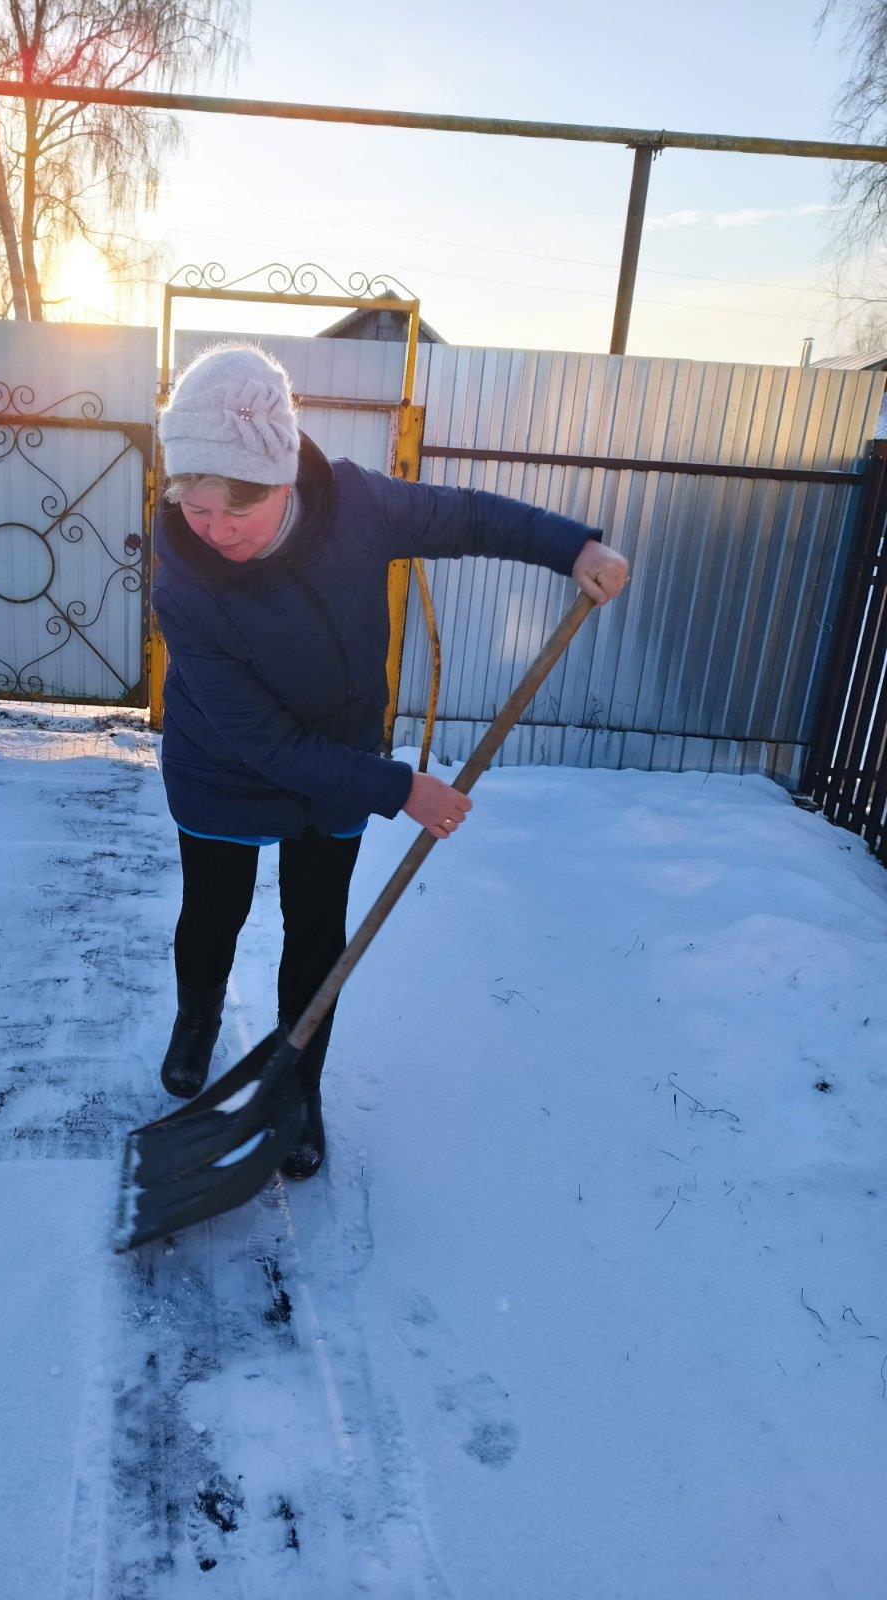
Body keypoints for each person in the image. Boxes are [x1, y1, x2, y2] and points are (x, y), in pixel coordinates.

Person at [151, 343, 629, 1180]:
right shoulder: (185, 588)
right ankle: (196, 1021)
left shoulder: (357, 507)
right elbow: (261, 742)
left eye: (235, 512)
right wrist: (397, 786)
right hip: (224, 768)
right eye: (195, 508)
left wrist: (573, 548)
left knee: (316, 931)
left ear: (281, 481)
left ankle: (298, 1086)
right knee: (214, 912)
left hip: (336, 755)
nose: (214, 533)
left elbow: (470, 516)